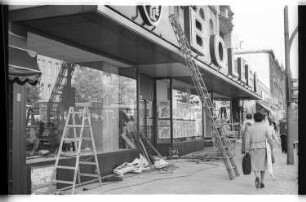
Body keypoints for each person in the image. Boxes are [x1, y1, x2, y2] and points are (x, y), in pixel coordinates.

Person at [245, 112, 273, 189]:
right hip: (263, 148)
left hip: (253, 148)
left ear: (254, 119)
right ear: (262, 119)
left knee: (254, 164)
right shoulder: (265, 127)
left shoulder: (250, 128)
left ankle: (257, 176)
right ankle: (262, 181)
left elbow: (247, 140)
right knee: (263, 165)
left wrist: (246, 150)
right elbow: (269, 138)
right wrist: (271, 146)